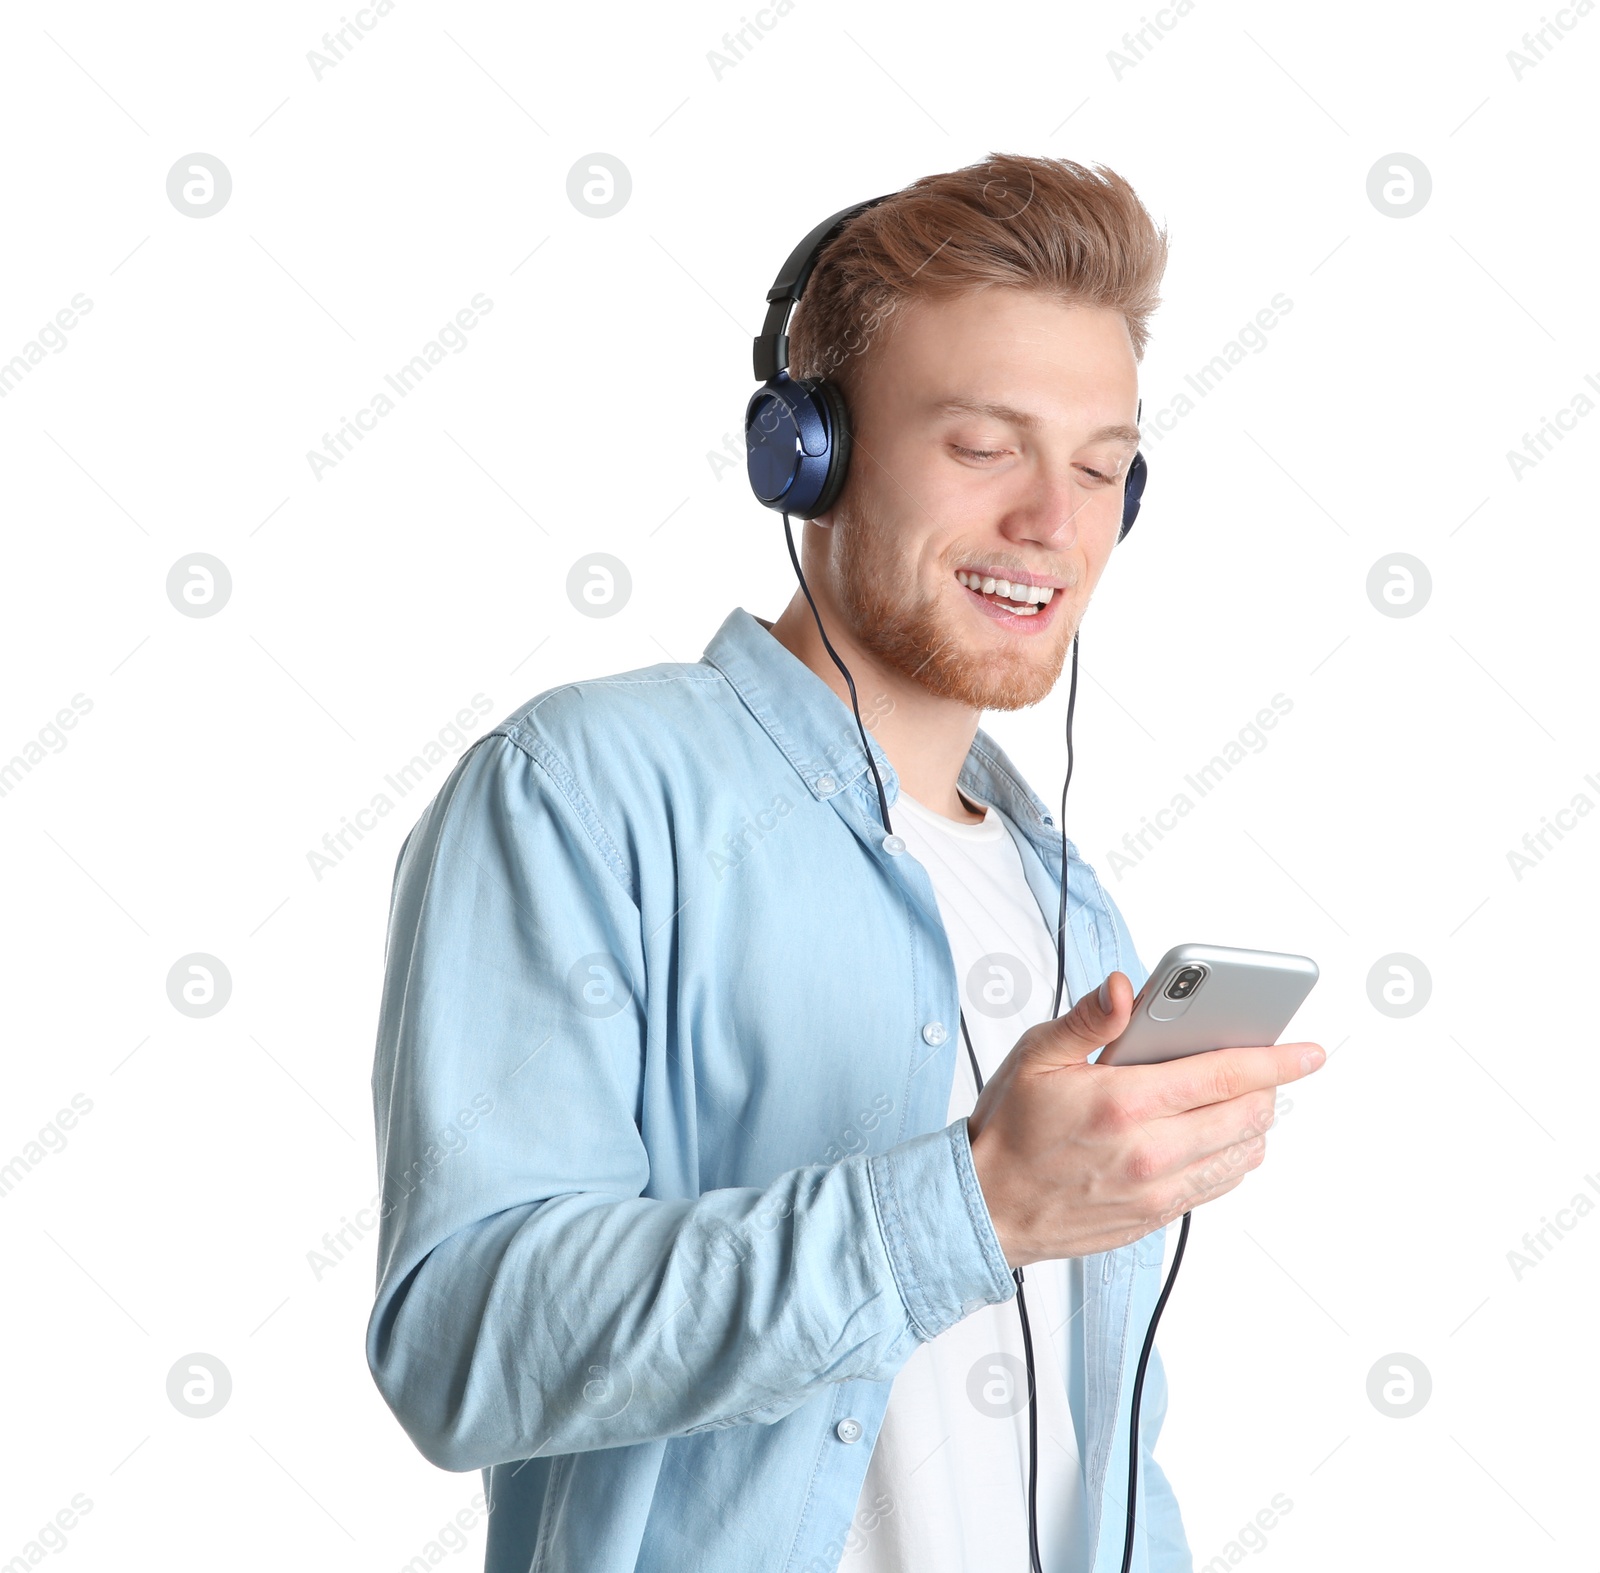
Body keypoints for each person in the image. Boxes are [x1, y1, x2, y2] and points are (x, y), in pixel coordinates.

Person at [365, 151, 1326, 1573]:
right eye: (983, 444)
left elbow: (1098, 1439)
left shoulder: (1071, 907)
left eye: (1102, 466)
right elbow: (464, 1338)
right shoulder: (585, 792)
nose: (1054, 525)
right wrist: (972, 1202)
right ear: (804, 452)